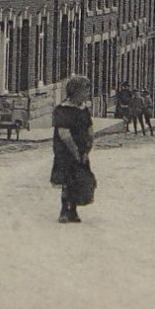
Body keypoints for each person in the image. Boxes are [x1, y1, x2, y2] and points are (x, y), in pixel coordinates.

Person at [50, 75, 95, 223]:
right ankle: (64, 210)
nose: (87, 94)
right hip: (66, 152)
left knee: (78, 180)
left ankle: (73, 211)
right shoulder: (63, 110)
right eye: (85, 90)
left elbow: (90, 130)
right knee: (66, 181)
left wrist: (87, 149)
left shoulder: (83, 110)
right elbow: (64, 134)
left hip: (81, 151)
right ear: (76, 92)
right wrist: (75, 151)